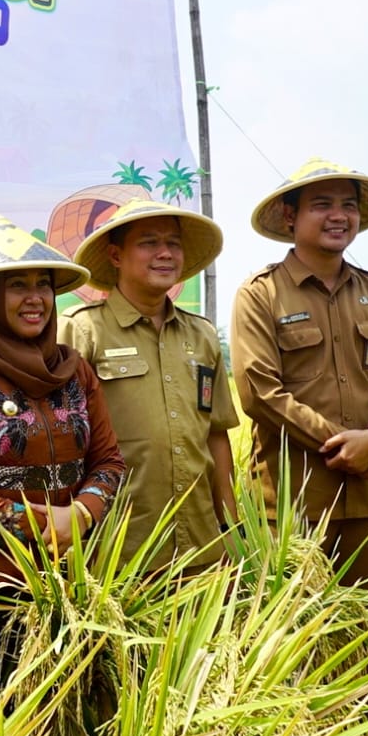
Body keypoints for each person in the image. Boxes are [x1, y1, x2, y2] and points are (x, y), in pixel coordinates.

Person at [0, 215, 125, 732]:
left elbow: (108, 461)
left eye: (43, 285)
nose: (35, 298)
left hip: (78, 584)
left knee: (79, 734)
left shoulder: (75, 370)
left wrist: (79, 515)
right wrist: (36, 523)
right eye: (16, 286)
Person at [230, 160, 368, 586]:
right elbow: (260, 392)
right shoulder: (261, 293)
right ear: (289, 215)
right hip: (292, 506)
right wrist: (345, 446)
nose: (339, 215)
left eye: (348, 205)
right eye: (322, 204)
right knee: (291, 637)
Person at [61, 198, 238, 571]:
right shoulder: (83, 329)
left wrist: (232, 526)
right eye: (148, 243)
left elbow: (216, 435)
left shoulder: (202, 335)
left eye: (173, 243)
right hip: (116, 549)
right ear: (115, 255)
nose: (165, 253)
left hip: (202, 547)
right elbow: (62, 441)